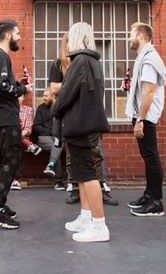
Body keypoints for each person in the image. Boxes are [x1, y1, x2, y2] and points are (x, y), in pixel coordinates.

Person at [52, 22, 110, 242]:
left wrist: (55, 109)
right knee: (82, 175)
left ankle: (99, 226)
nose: (66, 44)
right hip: (85, 125)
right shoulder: (93, 61)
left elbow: (66, 93)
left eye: (69, 39)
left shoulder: (80, 61)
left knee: (88, 175)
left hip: (80, 126)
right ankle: (86, 218)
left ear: (76, 38)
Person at [50, 33, 118, 206]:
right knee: (72, 157)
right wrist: (73, 83)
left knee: (96, 154)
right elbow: (54, 88)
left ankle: (101, 189)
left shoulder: (85, 61)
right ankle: (75, 189)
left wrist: (73, 84)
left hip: (88, 115)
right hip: (70, 117)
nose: (69, 45)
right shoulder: (59, 64)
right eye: (66, 42)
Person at [0, 19, 32, 229]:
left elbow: (0, 85)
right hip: (5, 118)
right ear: (8, 35)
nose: (19, 37)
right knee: (11, 161)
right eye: (17, 34)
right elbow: (1, 86)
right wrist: (23, 90)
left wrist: (17, 85)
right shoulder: (2, 56)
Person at [125, 22, 166, 217]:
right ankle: (149, 195)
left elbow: (149, 92)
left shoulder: (149, 59)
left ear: (140, 36)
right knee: (148, 156)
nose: (129, 38)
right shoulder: (145, 56)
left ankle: (155, 202)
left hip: (146, 116)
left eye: (131, 34)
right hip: (143, 115)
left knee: (151, 157)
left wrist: (140, 119)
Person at [34, 87, 65, 189]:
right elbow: (36, 127)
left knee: (56, 146)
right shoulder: (41, 108)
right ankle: (58, 181)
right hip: (43, 137)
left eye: (46, 96)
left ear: (53, 97)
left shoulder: (60, 109)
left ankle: (51, 166)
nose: (43, 98)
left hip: (58, 137)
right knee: (55, 147)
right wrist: (52, 132)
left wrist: (57, 134)